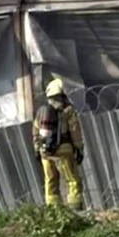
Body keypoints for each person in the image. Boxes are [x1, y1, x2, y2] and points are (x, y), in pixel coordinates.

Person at [34, 79, 85, 209]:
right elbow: (75, 131)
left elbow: (35, 132)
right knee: (72, 180)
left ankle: (53, 210)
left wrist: (37, 149)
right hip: (64, 150)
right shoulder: (67, 111)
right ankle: (76, 208)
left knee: (50, 181)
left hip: (45, 152)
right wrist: (79, 149)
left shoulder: (41, 112)